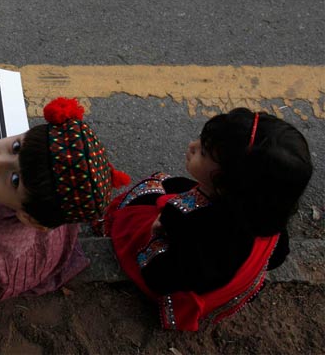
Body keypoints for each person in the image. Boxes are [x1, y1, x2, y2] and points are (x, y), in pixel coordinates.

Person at [104, 108, 313, 331]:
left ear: (227, 184)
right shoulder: (265, 211)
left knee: (147, 194)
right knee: (169, 185)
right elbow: (277, 257)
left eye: (203, 152)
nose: (192, 146)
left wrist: (160, 233)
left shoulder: (203, 230)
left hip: (176, 279)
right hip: (221, 269)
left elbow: (160, 277)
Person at [0, 97, 130, 311]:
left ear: (29, 217)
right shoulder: (56, 205)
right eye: (16, 146)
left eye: (14, 180)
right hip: (45, 259)